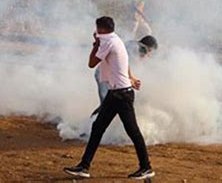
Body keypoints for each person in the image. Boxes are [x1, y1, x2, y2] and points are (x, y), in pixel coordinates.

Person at [64, 17, 155, 180]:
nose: (96, 31)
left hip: (121, 95)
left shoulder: (106, 42)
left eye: (97, 29)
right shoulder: (116, 39)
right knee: (98, 127)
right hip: (117, 93)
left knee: (133, 132)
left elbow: (91, 63)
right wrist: (131, 77)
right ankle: (84, 166)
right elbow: (124, 60)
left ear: (102, 29)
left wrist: (96, 44)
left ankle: (146, 167)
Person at [91, 35, 158, 117]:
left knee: (107, 103)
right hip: (106, 76)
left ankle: (93, 123)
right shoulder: (140, 48)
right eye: (150, 51)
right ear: (148, 47)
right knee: (107, 104)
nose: (147, 55)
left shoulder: (132, 45)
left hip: (106, 74)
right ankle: (92, 124)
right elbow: (123, 64)